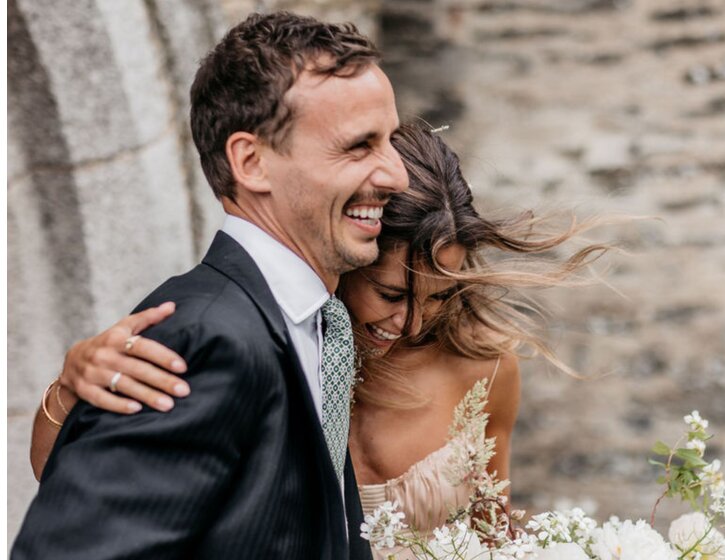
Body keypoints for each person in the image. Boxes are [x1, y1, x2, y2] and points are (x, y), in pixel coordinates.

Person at [29, 124, 611, 558]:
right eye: (390, 294)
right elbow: (63, 474)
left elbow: (491, 531)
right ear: (349, 255)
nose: (411, 323)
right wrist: (71, 385)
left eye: (437, 298)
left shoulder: (483, 369)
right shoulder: (261, 345)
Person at [14, 12, 408, 560]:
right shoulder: (202, 342)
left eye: (391, 140)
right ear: (251, 162)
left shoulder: (314, 323)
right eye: (359, 146)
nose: (397, 175)